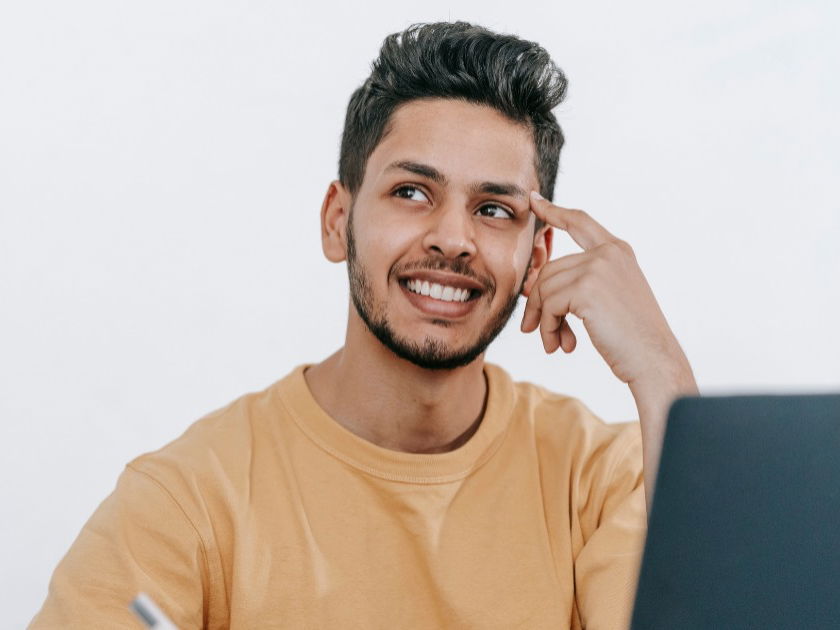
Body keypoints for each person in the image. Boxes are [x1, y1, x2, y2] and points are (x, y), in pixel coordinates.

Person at [30, 21, 697, 629]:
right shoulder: (187, 502)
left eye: (494, 209)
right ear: (335, 221)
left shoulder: (607, 481)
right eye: (412, 192)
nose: (454, 239)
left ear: (538, 257)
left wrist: (661, 370)